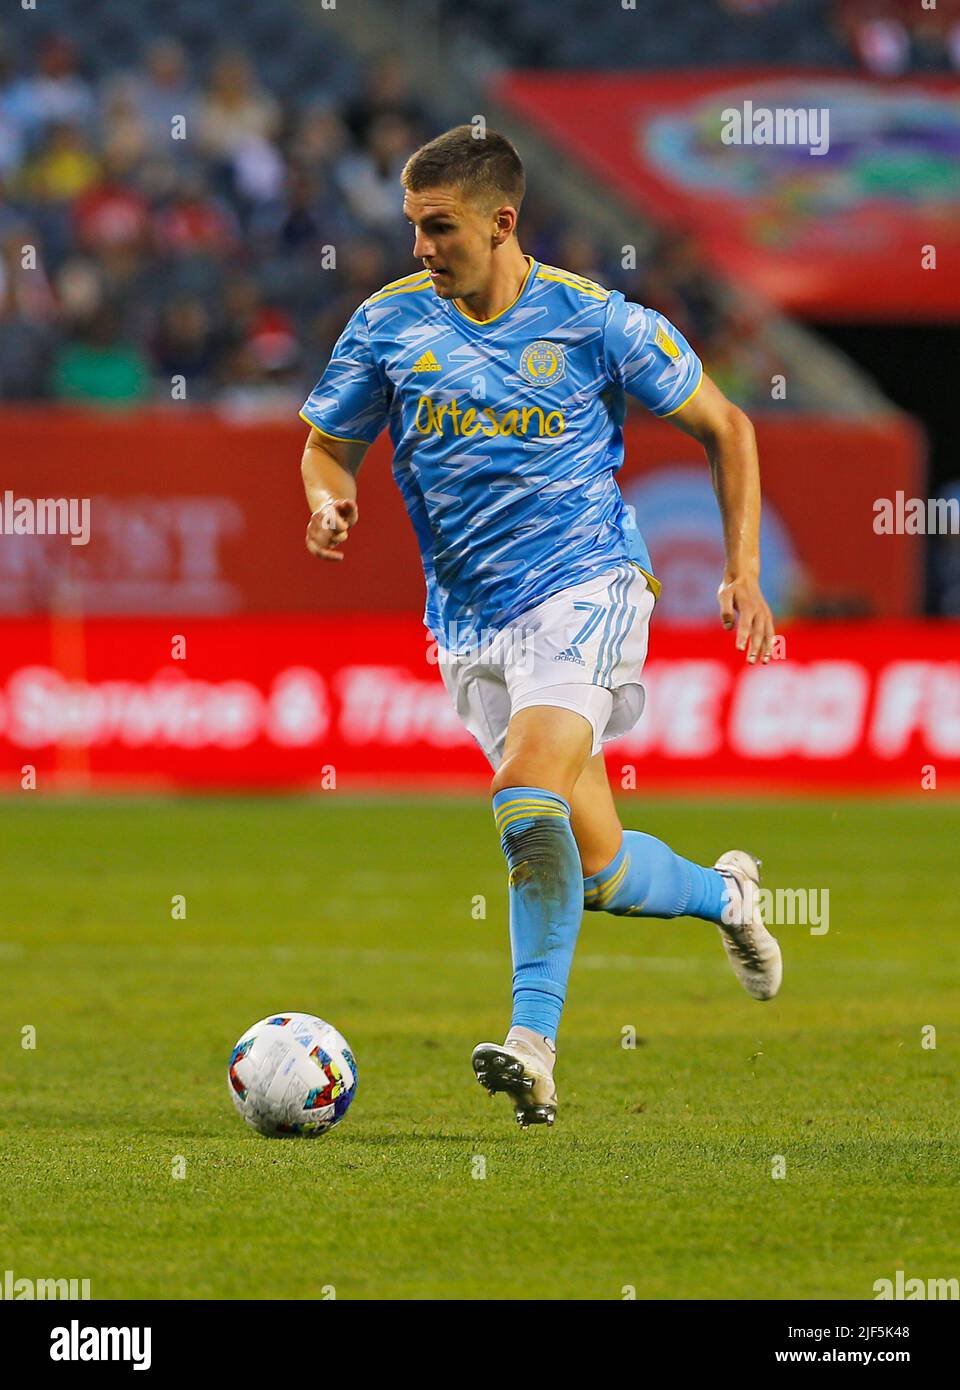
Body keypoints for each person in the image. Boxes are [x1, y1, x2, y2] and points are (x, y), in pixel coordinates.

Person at [299, 126, 781, 1129]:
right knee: (595, 867)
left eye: (441, 228)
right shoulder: (388, 325)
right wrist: (329, 498)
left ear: (501, 221)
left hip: (588, 590)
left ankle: (534, 1045)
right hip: (467, 627)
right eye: (413, 227)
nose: (423, 247)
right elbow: (326, 447)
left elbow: (726, 426)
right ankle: (727, 895)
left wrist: (741, 571)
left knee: (524, 792)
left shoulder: (597, 324)